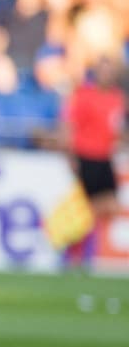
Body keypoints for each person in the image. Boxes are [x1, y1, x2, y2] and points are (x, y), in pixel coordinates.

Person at [60, 54, 126, 268]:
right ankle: (76, 253)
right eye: (102, 69)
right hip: (86, 155)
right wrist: (70, 155)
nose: (106, 74)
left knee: (107, 206)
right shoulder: (84, 95)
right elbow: (70, 126)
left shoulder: (117, 98)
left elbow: (116, 129)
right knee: (92, 206)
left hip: (105, 157)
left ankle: (74, 241)